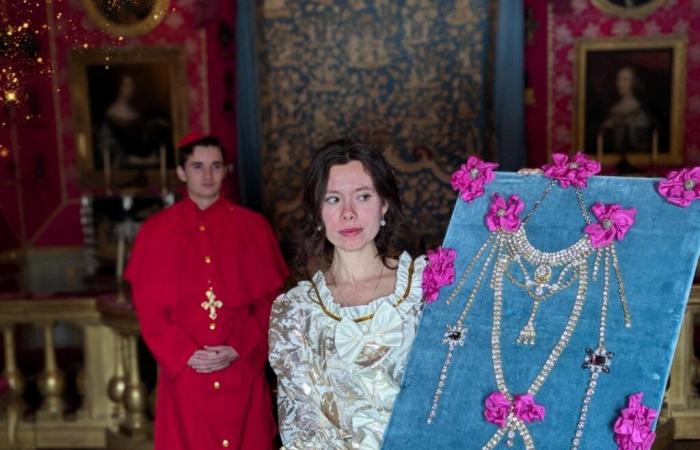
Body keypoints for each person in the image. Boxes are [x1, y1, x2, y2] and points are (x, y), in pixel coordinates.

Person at [125, 133, 288, 450]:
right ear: (182, 172)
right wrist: (186, 353)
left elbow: (272, 302)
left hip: (241, 370)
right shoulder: (155, 232)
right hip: (186, 376)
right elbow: (148, 310)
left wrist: (239, 347)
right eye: (198, 166)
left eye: (216, 166)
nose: (208, 175)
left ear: (226, 170)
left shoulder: (254, 227)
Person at [268, 140, 427, 449]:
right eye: (333, 199)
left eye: (363, 196)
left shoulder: (426, 288)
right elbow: (302, 428)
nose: (348, 213)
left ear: (384, 205)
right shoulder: (296, 312)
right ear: (317, 212)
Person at [600, 65, 653, 153]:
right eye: (618, 79)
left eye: (625, 80)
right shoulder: (616, 106)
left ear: (633, 83)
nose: (619, 83)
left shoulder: (637, 109)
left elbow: (640, 144)